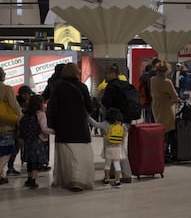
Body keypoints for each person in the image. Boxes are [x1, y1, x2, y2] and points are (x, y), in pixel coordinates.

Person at [46, 63, 95, 192]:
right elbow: (89, 108)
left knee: (66, 154)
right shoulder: (82, 87)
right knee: (79, 154)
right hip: (79, 125)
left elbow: (52, 107)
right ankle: (78, 180)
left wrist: (51, 124)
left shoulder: (57, 87)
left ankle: (66, 179)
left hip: (63, 126)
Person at [101, 64, 132, 183]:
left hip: (113, 122)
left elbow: (105, 102)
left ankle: (124, 174)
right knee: (119, 147)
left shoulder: (111, 86)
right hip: (125, 121)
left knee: (112, 146)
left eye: (107, 74)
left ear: (113, 74)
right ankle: (117, 174)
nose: (106, 76)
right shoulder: (124, 84)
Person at [20, 95, 54, 189]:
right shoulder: (41, 114)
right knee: (36, 162)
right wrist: (54, 131)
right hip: (37, 141)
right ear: (40, 104)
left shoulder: (25, 114)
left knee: (30, 161)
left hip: (28, 141)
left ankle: (29, 179)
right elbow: (44, 129)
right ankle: (33, 182)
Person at [88, 108, 127, 188]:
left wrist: (88, 117)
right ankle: (117, 181)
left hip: (108, 148)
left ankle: (106, 180)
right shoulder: (121, 125)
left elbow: (95, 124)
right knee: (117, 164)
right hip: (118, 148)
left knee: (107, 165)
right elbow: (124, 135)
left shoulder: (105, 124)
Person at [150, 60, 179, 163]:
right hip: (166, 108)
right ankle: (167, 154)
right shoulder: (167, 82)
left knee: (160, 131)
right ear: (166, 71)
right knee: (168, 131)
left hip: (156, 107)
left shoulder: (153, 80)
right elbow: (175, 97)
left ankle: (160, 153)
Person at [0, 67, 22, 185]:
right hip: (5, 124)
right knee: (6, 151)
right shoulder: (6, 89)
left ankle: (3, 175)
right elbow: (14, 105)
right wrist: (20, 116)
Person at [6, 85, 33, 176]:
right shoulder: (18, 104)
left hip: (16, 128)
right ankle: (10, 168)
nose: (29, 96)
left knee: (15, 148)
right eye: (28, 94)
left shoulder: (22, 101)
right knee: (15, 148)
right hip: (16, 128)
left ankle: (10, 167)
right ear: (23, 94)